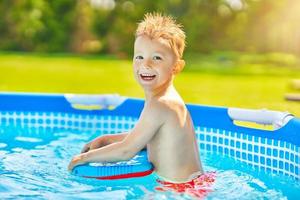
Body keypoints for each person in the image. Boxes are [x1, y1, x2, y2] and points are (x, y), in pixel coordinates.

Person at [68, 13, 204, 184]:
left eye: (157, 58)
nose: (146, 64)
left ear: (176, 67)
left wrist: (82, 158)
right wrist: (107, 139)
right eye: (139, 57)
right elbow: (151, 136)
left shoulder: (161, 104)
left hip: (179, 191)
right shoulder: (167, 99)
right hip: (195, 185)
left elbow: (126, 151)